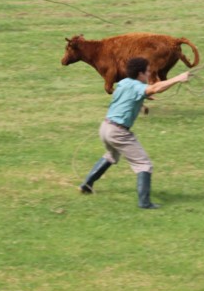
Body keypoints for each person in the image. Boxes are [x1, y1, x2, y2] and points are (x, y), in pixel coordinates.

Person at [78, 57, 190, 209]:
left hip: (105, 128)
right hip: (118, 132)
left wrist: (140, 104)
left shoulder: (124, 82)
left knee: (111, 156)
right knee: (144, 164)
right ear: (140, 73)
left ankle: (86, 185)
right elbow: (155, 88)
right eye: (147, 71)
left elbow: (124, 98)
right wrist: (178, 78)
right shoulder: (137, 87)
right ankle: (144, 203)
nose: (149, 74)